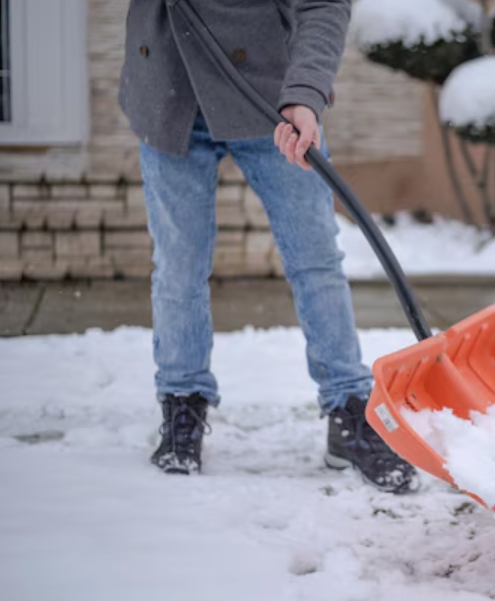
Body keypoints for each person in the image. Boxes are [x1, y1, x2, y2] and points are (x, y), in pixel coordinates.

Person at [118, 0, 418, 494]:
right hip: (169, 92)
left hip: (269, 98)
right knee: (178, 266)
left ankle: (347, 408)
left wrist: (306, 94)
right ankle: (181, 401)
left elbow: (323, 4)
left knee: (316, 259)